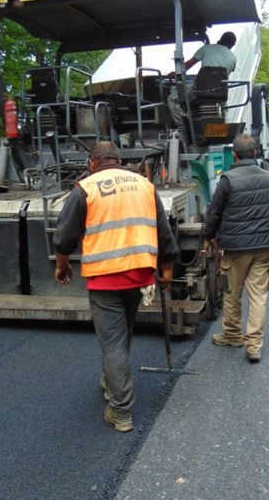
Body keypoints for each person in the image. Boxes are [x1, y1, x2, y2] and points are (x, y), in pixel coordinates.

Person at [53, 141, 178, 432]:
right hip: (139, 275)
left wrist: (62, 266)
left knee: (112, 344)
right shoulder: (145, 185)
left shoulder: (86, 187)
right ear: (119, 161)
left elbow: (63, 238)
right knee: (123, 335)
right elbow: (163, 230)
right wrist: (168, 268)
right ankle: (111, 381)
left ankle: (121, 411)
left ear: (92, 164)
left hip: (105, 277)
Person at [203, 135, 269, 363]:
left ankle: (233, 335)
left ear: (234, 155)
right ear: (255, 153)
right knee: (258, 297)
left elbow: (214, 212)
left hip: (235, 248)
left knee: (231, 292)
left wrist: (208, 237)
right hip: (263, 247)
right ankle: (254, 346)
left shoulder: (228, 179)